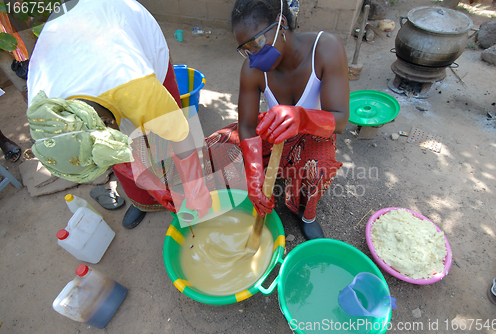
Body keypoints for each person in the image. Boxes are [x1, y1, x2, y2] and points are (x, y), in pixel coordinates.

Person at [26, 0, 212, 229]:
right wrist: (151, 187)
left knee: (166, 134)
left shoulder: (136, 85)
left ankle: (181, 188)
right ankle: (145, 201)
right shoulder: (45, 110)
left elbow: (181, 137)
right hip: (77, 45)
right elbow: (107, 151)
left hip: (122, 26)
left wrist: (196, 191)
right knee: (123, 152)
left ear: (105, 122)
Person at [204, 0, 349, 240]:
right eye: (245, 48)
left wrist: (301, 116)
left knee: (317, 166)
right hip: (276, 131)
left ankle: (306, 214)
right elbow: (248, 127)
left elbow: (341, 120)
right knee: (215, 145)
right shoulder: (253, 69)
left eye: (257, 43)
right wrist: (254, 175)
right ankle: (253, 193)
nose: (253, 54)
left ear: (281, 24)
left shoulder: (325, 49)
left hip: (314, 131)